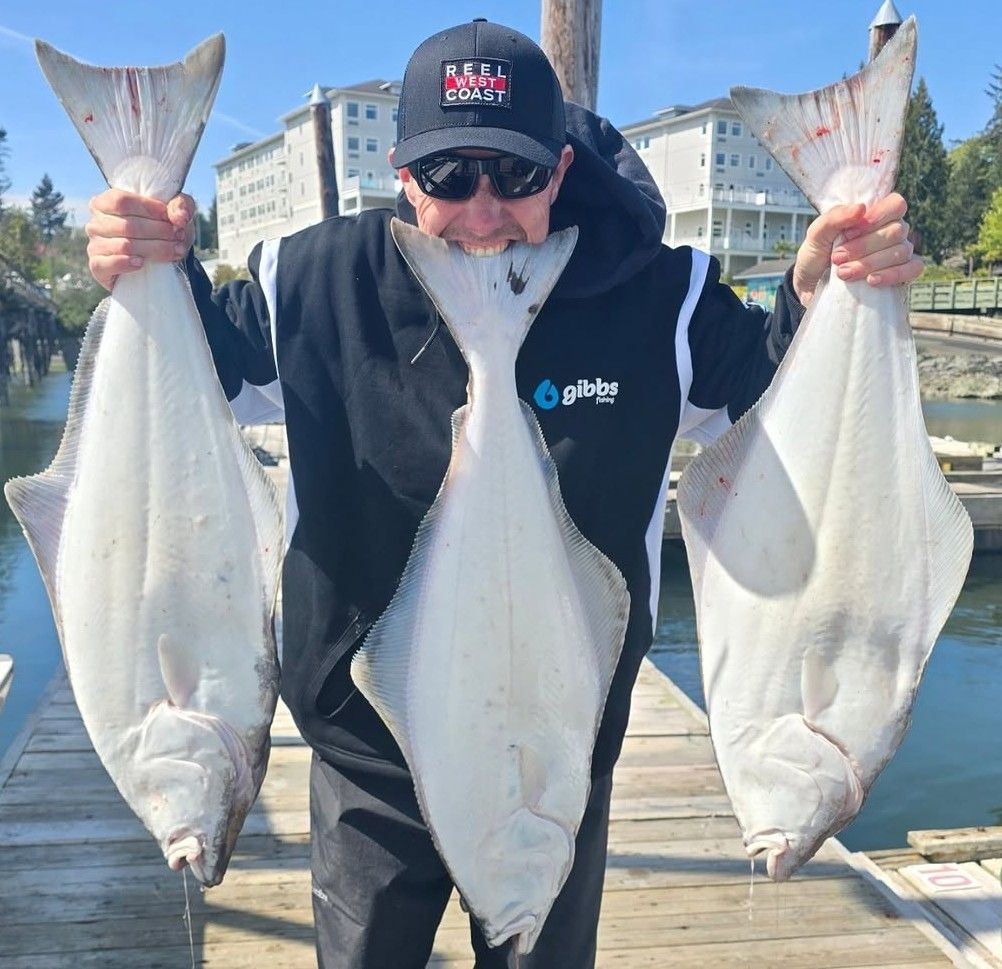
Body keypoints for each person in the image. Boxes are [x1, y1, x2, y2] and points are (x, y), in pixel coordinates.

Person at [85, 19, 922, 969]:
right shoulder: (311, 283)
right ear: (401, 173)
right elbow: (199, 364)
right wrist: (141, 251)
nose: (483, 214)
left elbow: (769, 392)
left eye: (515, 176)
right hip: (368, 767)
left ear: (561, 169)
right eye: (448, 178)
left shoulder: (660, 297)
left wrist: (822, 294)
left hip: (552, 754)